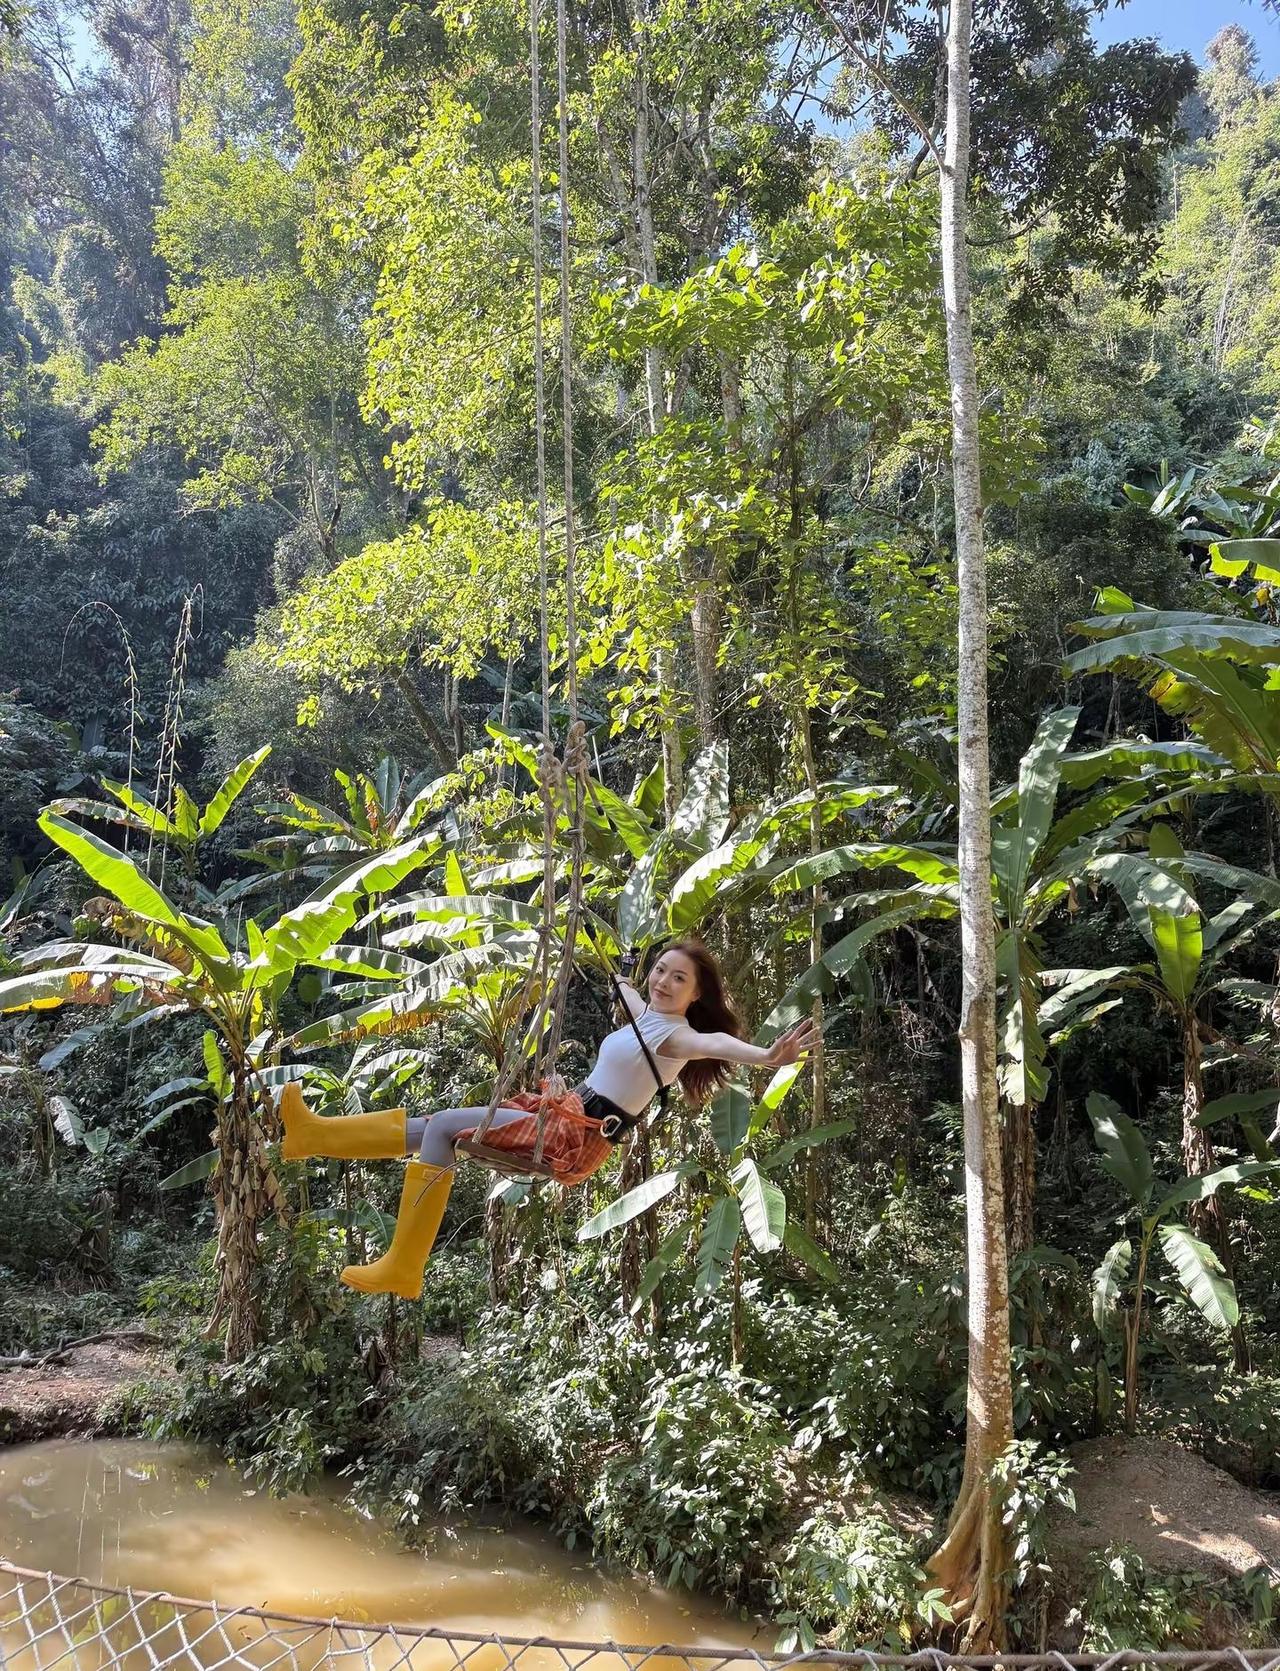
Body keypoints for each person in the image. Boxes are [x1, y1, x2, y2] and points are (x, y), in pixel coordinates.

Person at [278, 939, 816, 1300]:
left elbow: (712, 1042)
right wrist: (613, 959)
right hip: (566, 1108)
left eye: (680, 978)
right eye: (660, 970)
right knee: (432, 1129)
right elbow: (625, 988)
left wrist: (766, 1056)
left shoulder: (674, 1037)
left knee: (442, 1127)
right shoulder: (642, 1013)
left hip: (574, 1131)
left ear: (696, 994)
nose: (664, 982)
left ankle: (403, 1264)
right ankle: (314, 1136)